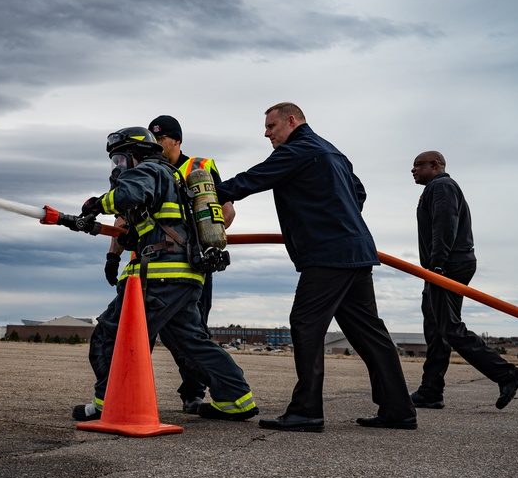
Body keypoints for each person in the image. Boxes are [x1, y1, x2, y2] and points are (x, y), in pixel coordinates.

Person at [215, 103, 416, 433]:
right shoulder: (332, 152)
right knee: (369, 334)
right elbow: (359, 192)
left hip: (328, 256)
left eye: (271, 126)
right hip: (355, 251)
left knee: (305, 324)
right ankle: (398, 409)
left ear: (291, 121)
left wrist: (204, 192)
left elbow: (251, 180)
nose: (267, 133)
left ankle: (307, 410)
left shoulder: (298, 149)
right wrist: (336, 214)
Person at [73, 127, 258, 423]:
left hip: (160, 275)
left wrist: (95, 204)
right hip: (185, 275)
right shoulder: (171, 176)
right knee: (191, 342)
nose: (118, 167)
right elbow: (148, 225)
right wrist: (117, 250)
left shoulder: (147, 170)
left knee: (114, 333)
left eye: (120, 159)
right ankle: (236, 398)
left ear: (136, 155)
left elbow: (127, 194)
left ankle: (108, 402)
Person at [409, 151, 518, 410]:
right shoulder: (438, 187)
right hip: (446, 264)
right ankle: (431, 391)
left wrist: (437, 265)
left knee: (448, 328)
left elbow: (445, 225)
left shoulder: (442, 186)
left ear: (434, 166)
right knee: (435, 328)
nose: (412, 170)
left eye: (418, 165)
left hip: (447, 265)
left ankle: (507, 374)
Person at [149, 115, 237, 414]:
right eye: (152, 140)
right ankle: (127, 390)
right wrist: (112, 254)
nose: (156, 145)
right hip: (155, 262)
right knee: (150, 329)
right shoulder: (148, 169)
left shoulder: (198, 167)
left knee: (194, 330)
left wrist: (201, 244)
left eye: (161, 139)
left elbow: (226, 211)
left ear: (177, 140)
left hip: (194, 262)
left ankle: (193, 393)